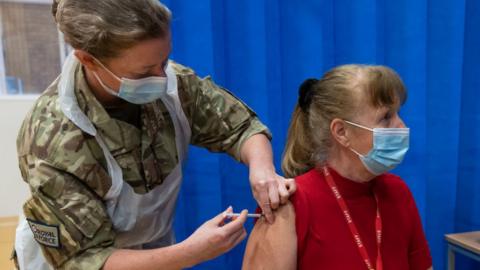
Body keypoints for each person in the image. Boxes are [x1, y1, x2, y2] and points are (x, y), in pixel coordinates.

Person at [13, 0, 295, 269]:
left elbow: (240, 126)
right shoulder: (52, 139)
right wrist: (191, 253)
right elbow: (86, 261)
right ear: (89, 60)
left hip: (153, 252)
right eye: (144, 71)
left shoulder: (174, 85)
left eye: (164, 61)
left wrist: (263, 170)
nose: (162, 79)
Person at [242, 65, 433, 270]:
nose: (401, 127)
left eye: (397, 113)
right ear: (341, 132)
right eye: (386, 117)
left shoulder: (398, 193)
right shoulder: (288, 206)